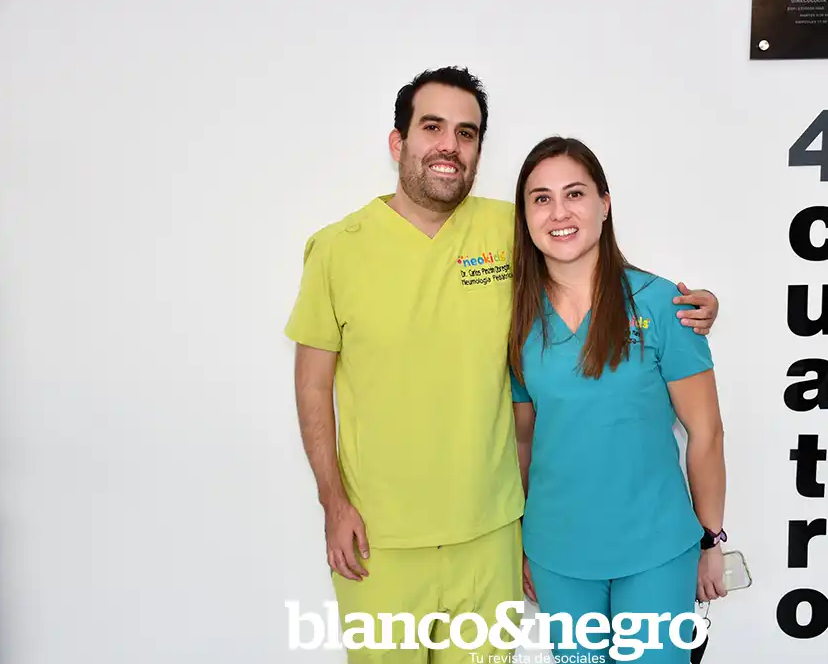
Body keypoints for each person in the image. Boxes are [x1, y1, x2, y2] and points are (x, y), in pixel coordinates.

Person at [283, 66, 721, 663]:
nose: (449, 145)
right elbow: (312, 386)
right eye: (432, 127)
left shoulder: (507, 228)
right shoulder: (337, 248)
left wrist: (692, 304)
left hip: (491, 534)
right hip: (381, 537)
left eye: (466, 133)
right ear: (397, 142)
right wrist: (332, 503)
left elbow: (586, 256)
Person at [507, 136, 728, 664]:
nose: (559, 213)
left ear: (604, 204)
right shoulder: (516, 318)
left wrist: (710, 539)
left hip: (656, 551)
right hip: (559, 555)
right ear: (525, 216)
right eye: (541, 198)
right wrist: (523, 543)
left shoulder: (662, 303)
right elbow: (524, 441)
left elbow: (706, 433)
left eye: (575, 194)